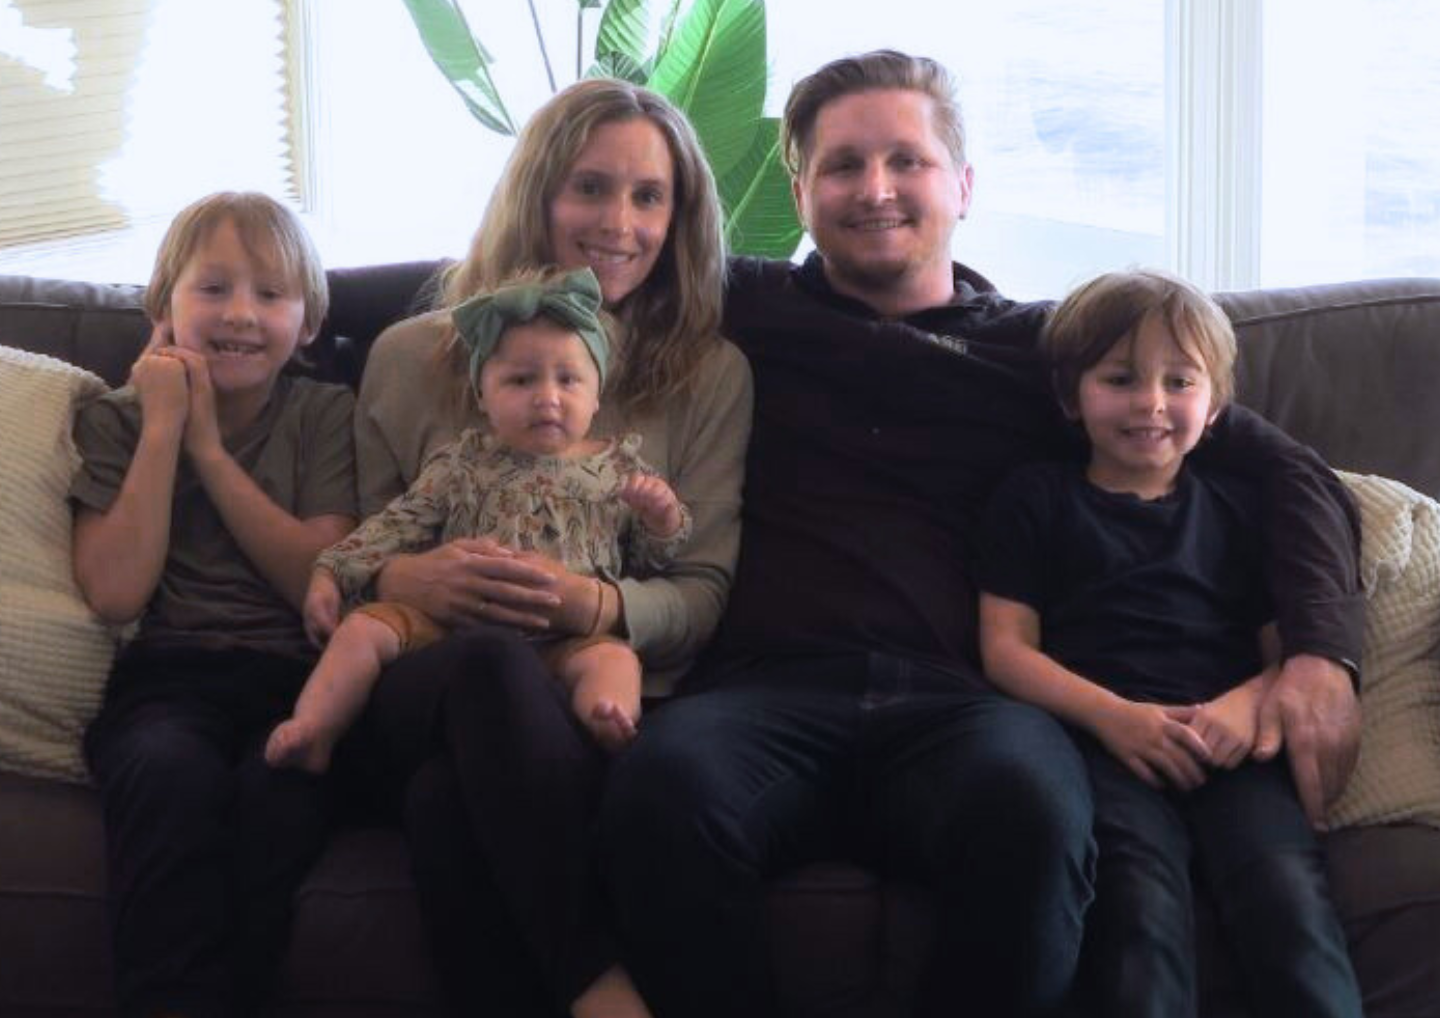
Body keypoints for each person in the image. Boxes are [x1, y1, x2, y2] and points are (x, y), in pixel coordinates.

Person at [596, 51, 1364, 1014]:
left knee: (1035, 811)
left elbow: (1289, 470)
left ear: (963, 186)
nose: (875, 189)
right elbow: (562, 284)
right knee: (659, 795)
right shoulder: (736, 308)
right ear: (799, 193)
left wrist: (1321, 655)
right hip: (763, 691)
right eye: (842, 166)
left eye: (907, 161)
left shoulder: (1054, 353)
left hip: (964, 705)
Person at [343, 79, 751, 1015]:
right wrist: (411, 576)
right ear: (538, 193)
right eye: (590, 187)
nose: (620, 222)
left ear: (678, 219)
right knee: (488, 663)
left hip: (596, 695)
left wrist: (592, 606)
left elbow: (702, 591)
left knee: (446, 805)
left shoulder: (709, 374)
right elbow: (360, 545)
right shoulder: (407, 356)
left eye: (649, 196)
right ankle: (603, 988)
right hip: (425, 674)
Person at [977, 269, 1362, 1014]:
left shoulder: (1241, 510)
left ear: (1214, 407)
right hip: (1102, 749)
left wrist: (1244, 707)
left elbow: (1281, 655)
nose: (1151, 402)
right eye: (1120, 379)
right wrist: (1117, 719)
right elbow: (1007, 651)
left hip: (1234, 748)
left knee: (1288, 900)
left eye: (1179, 381)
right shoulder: (1034, 498)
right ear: (1070, 396)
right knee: (1138, 909)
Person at [70, 191, 356, 1013]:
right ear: (163, 309)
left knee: (279, 798)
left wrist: (208, 450)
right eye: (214, 288)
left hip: (297, 681)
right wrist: (165, 429)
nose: (239, 314)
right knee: (166, 775)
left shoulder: (325, 414)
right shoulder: (116, 420)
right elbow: (115, 591)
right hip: (167, 681)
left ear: (309, 323)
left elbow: (318, 579)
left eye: (270, 294)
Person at [265, 267, 691, 773]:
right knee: (362, 629)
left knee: (615, 660)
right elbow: (393, 525)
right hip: (451, 631)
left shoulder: (619, 469)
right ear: (482, 396)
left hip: (567, 639)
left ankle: (606, 720)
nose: (547, 396)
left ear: (597, 394)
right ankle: (315, 728)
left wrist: (662, 520)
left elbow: (650, 561)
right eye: (521, 380)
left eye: (568, 379)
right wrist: (331, 570)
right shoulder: (461, 462)